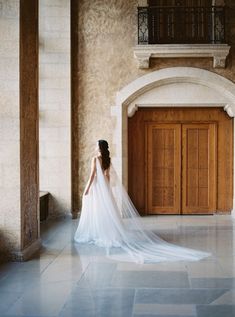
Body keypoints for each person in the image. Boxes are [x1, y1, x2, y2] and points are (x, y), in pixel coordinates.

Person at [74, 140, 211, 263]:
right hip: (104, 187)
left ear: (99, 147)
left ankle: (99, 232)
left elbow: (92, 176)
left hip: (97, 187)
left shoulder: (95, 159)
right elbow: (107, 176)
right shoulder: (106, 160)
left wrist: (87, 189)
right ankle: (106, 232)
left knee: (98, 210)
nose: (94, 147)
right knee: (105, 210)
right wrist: (107, 190)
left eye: (96, 145)